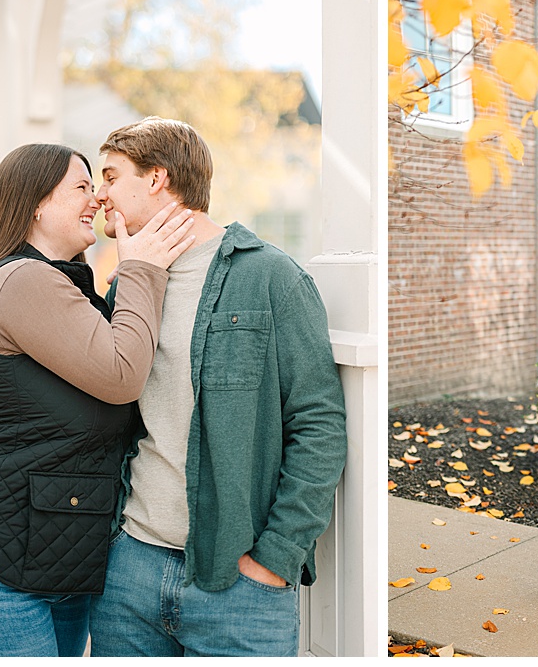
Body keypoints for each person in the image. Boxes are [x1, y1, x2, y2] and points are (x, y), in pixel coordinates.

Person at [0, 141, 196, 657]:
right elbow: (121, 375)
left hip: (53, 557)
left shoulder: (67, 285)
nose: (98, 199)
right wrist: (142, 270)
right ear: (36, 202)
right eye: (83, 187)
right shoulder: (21, 279)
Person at [87, 118, 347, 657]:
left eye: (110, 176)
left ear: (157, 178)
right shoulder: (125, 286)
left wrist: (276, 557)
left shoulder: (272, 277)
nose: (99, 193)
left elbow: (319, 425)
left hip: (239, 583)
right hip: (127, 569)